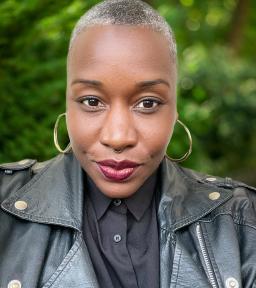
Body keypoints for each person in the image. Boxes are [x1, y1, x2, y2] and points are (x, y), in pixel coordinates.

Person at [0, 0, 255, 287]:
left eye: (147, 103)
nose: (118, 138)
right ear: (67, 104)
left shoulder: (241, 220)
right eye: (92, 101)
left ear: (175, 110)